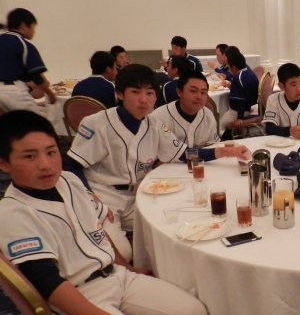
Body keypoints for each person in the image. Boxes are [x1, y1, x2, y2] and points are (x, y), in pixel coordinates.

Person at [0, 110, 222, 315]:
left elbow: (98, 232)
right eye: (29, 157)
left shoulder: (69, 181)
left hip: (115, 276)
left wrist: (125, 266)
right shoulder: (12, 214)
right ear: (4, 164)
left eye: (51, 152)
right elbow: (47, 283)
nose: (45, 164)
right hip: (76, 301)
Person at [63, 64, 251, 262]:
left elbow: (184, 153)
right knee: (122, 253)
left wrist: (226, 151)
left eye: (150, 93)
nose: (144, 100)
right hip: (104, 195)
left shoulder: (154, 125)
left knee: (177, 225)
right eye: (135, 92)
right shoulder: (96, 123)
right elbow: (71, 165)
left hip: (137, 195)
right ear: (120, 94)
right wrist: (89, 197)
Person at [0, 8, 56, 113]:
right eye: (33, 27)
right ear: (23, 26)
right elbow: (37, 78)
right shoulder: (23, 44)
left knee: (12, 122)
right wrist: (50, 94)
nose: (34, 32)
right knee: (35, 121)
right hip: (14, 91)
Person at [151, 70, 219, 147]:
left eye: (203, 92)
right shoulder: (159, 118)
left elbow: (215, 146)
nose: (199, 97)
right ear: (179, 92)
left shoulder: (208, 115)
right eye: (193, 91)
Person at [219, 51, 260, 139]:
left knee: (220, 125)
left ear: (234, 68)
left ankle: (225, 141)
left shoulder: (237, 78)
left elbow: (241, 100)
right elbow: (246, 90)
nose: (228, 69)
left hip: (240, 112)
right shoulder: (250, 73)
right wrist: (232, 86)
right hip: (252, 108)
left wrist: (239, 118)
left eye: (228, 66)